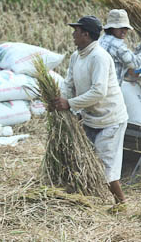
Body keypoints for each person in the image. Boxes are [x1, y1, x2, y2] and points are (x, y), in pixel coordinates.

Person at [54, 15, 128, 204]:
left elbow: (98, 92)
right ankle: (87, 200)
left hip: (110, 118)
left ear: (85, 34)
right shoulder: (76, 56)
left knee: (105, 166)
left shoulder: (99, 57)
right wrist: (61, 101)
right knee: (82, 158)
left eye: (76, 31)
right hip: (90, 118)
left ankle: (121, 203)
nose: (73, 35)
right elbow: (68, 84)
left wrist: (70, 104)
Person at [98, 9, 141, 85]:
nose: (124, 31)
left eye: (125, 28)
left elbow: (126, 57)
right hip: (110, 90)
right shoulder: (117, 46)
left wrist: (140, 47)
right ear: (111, 28)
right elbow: (135, 63)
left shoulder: (102, 39)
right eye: (120, 28)